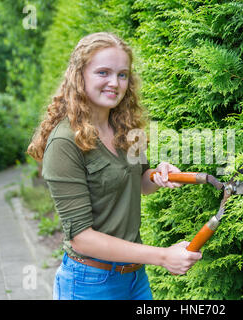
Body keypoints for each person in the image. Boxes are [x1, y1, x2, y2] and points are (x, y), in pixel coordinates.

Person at [27, 32, 202, 300]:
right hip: (90, 283)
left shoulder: (125, 128)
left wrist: (157, 175)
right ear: (79, 75)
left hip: (134, 279)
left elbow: (139, 183)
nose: (114, 83)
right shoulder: (64, 142)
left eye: (122, 75)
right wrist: (163, 256)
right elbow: (81, 238)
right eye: (103, 72)